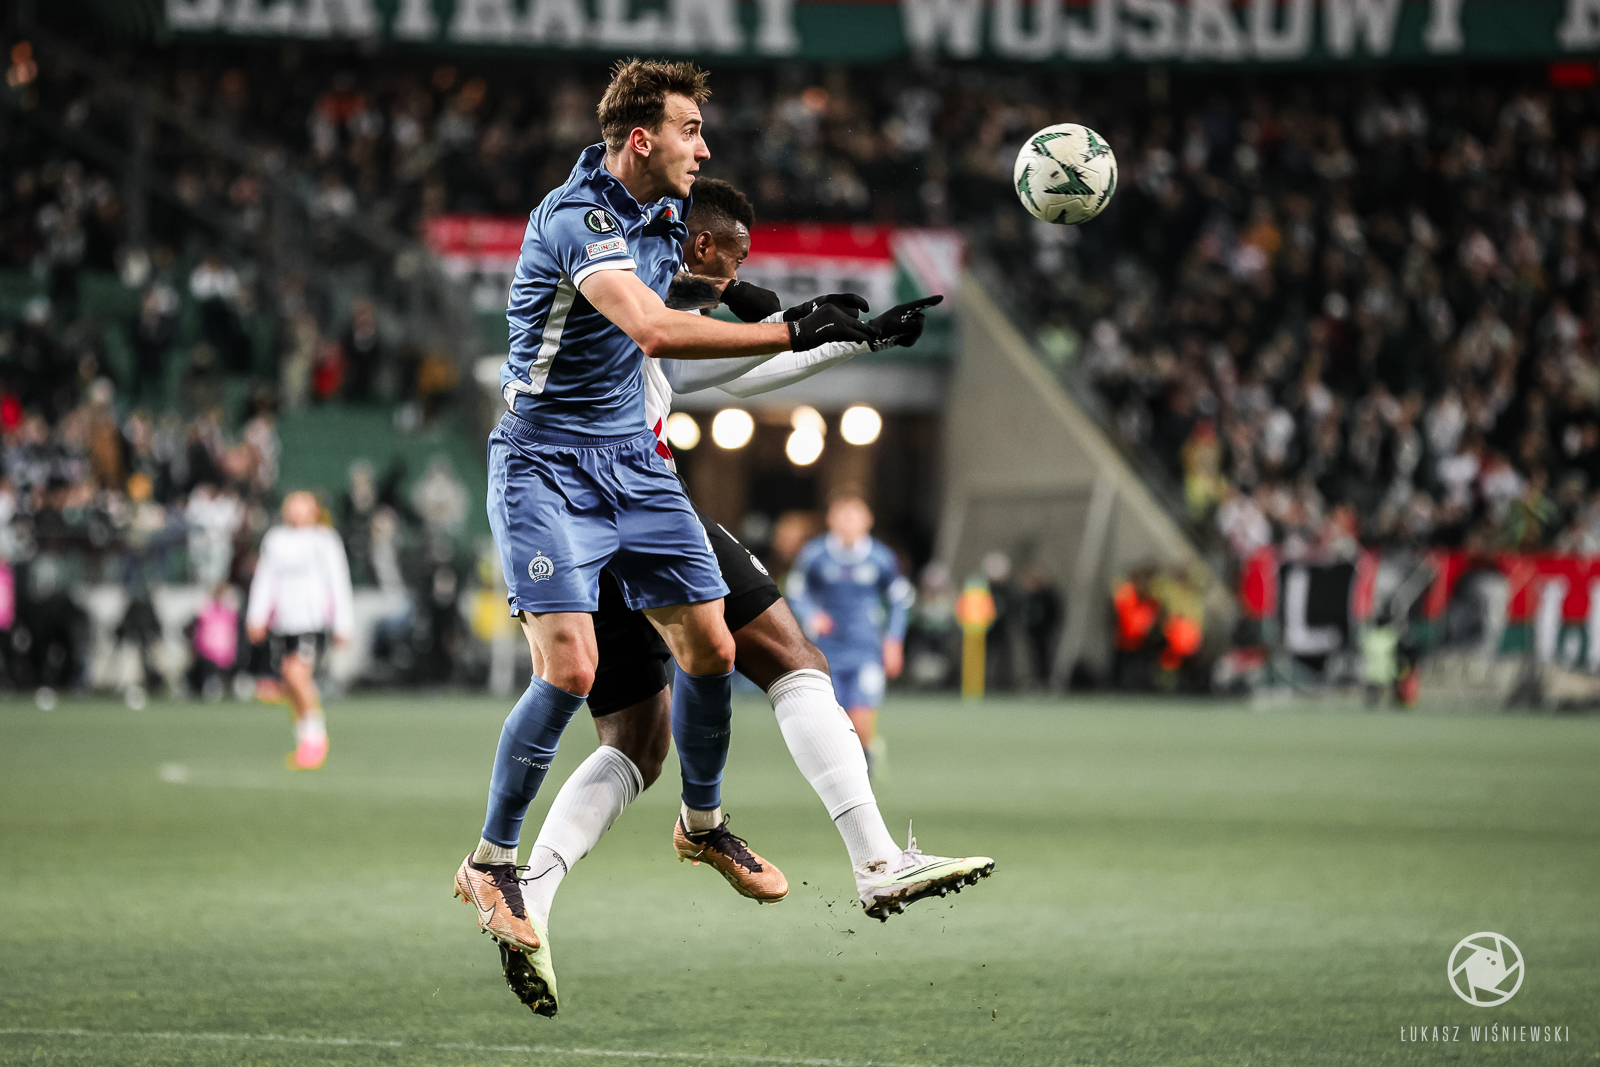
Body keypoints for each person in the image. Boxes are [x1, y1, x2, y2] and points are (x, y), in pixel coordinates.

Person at [498, 179, 991, 1017]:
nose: (738, 273)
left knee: (634, 739)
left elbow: (711, 368)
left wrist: (846, 337)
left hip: (567, 512)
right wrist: (819, 332)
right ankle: (870, 856)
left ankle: (531, 903)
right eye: (734, 257)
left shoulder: (613, 276)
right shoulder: (637, 290)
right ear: (699, 244)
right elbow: (709, 364)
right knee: (789, 657)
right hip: (633, 503)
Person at [455, 58, 884, 998]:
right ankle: (492, 860)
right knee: (571, 670)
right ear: (642, 138)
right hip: (545, 467)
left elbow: (690, 283)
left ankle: (703, 824)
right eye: (691, 130)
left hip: (636, 466)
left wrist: (746, 299)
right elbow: (652, 329)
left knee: (714, 646)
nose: (705, 145)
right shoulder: (577, 219)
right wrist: (791, 329)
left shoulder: (659, 214)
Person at [787, 496, 914, 777]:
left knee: (861, 724)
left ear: (868, 520)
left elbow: (900, 599)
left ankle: (864, 776)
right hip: (826, 651)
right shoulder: (815, 554)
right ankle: (841, 779)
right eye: (842, 516)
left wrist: (894, 640)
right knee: (832, 726)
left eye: (854, 516)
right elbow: (796, 591)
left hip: (865, 650)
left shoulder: (881, 557)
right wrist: (812, 614)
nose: (848, 522)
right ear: (831, 519)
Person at [245, 490, 354, 770]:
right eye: (291, 503)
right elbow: (265, 579)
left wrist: (343, 623)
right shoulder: (275, 540)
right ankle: (304, 737)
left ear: (314, 510)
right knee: (288, 677)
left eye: (302, 503)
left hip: (311, 621)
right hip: (284, 622)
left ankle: (316, 736)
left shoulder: (324, 540)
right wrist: (256, 616)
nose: (294, 508)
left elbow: (338, 580)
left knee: (296, 674)